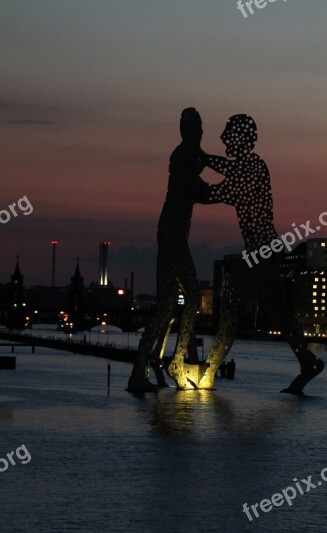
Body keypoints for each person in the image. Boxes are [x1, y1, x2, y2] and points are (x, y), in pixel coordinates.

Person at [201, 115, 324, 394]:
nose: (222, 139)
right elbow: (227, 167)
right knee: (276, 311)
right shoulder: (247, 165)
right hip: (264, 250)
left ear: (241, 139)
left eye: (228, 134)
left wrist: (192, 180)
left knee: (231, 302)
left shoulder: (252, 167)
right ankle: (307, 361)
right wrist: (203, 158)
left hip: (262, 251)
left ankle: (210, 367)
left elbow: (219, 191)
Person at [127, 108, 210, 392]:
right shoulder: (184, 156)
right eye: (197, 127)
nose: (201, 132)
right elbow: (200, 191)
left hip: (172, 234)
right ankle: (171, 361)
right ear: (188, 131)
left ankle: (148, 366)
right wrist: (232, 191)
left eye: (200, 127)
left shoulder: (188, 154)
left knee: (169, 307)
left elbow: (207, 165)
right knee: (190, 300)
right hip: (173, 236)